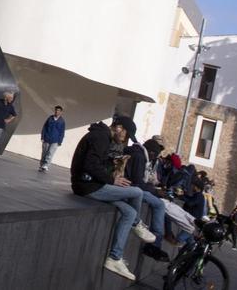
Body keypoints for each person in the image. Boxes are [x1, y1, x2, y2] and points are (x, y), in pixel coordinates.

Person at [70, 117, 157, 281]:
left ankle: (114, 258)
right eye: (126, 135)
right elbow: (90, 165)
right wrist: (112, 180)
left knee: (129, 212)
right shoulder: (100, 137)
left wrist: (113, 171)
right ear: (119, 128)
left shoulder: (103, 137)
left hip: (92, 184)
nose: (125, 140)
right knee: (137, 192)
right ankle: (137, 224)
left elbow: (96, 164)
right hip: (87, 186)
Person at [121, 119, 169, 261]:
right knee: (160, 205)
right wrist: (155, 191)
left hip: (133, 186)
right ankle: (155, 244)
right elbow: (138, 183)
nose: (156, 156)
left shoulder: (143, 156)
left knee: (162, 204)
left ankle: (158, 241)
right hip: (130, 187)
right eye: (156, 152)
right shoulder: (140, 156)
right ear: (152, 152)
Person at [38, 105, 65, 172]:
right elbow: (44, 127)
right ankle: (41, 165)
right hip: (46, 138)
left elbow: (62, 132)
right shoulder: (50, 118)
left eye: (58, 111)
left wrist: (60, 141)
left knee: (50, 153)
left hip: (55, 140)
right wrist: (42, 137)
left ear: (61, 112)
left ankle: (46, 165)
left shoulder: (62, 121)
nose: (57, 112)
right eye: (56, 110)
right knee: (44, 153)